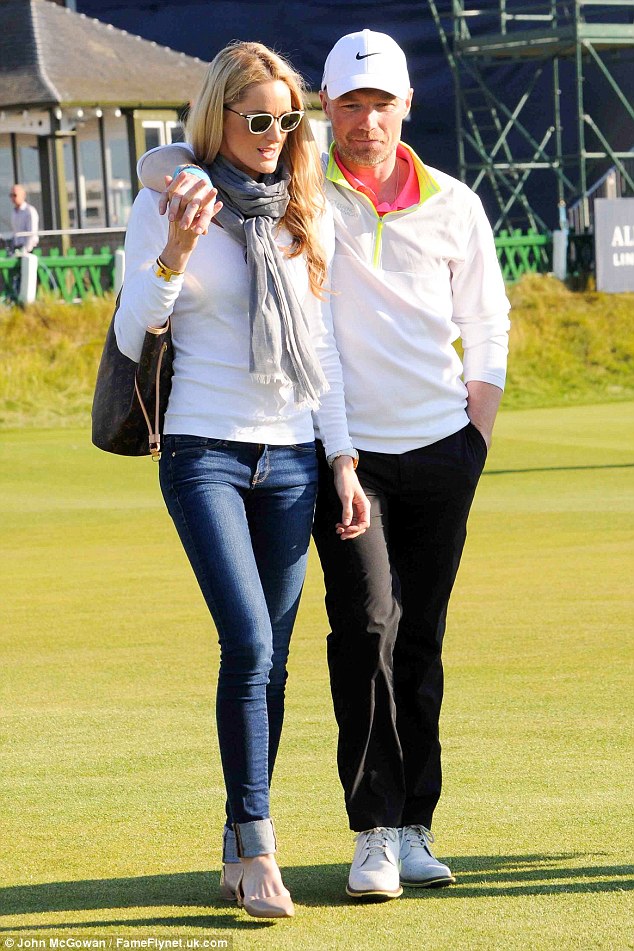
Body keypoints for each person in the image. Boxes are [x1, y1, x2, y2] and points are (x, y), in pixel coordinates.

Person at [137, 28, 511, 903]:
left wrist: (475, 440)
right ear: (329, 114)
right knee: (367, 628)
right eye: (349, 104)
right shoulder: (306, 190)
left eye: (381, 102)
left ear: (406, 106)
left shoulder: (453, 201)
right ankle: (373, 831)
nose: (366, 119)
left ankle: (416, 824)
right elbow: (177, 157)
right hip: (342, 455)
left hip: (439, 448)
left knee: (420, 638)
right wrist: (173, 176)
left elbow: (487, 325)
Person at [115, 40, 369, 919]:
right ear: (218, 117)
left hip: (294, 454)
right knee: (250, 644)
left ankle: (236, 833)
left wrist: (341, 458)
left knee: (273, 659)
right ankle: (260, 846)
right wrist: (178, 249)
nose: (274, 133)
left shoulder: (307, 210)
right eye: (258, 118)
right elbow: (133, 330)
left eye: (287, 119)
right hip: (205, 451)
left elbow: (323, 353)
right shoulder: (169, 201)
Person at [9, 184, 39, 253]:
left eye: (15, 195)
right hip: (18, 248)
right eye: (11, 195)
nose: (13, 198)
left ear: (23, 195)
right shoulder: (14, 212)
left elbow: (32, 233)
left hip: (30, 249)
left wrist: (26, 250)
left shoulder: (29, 211)